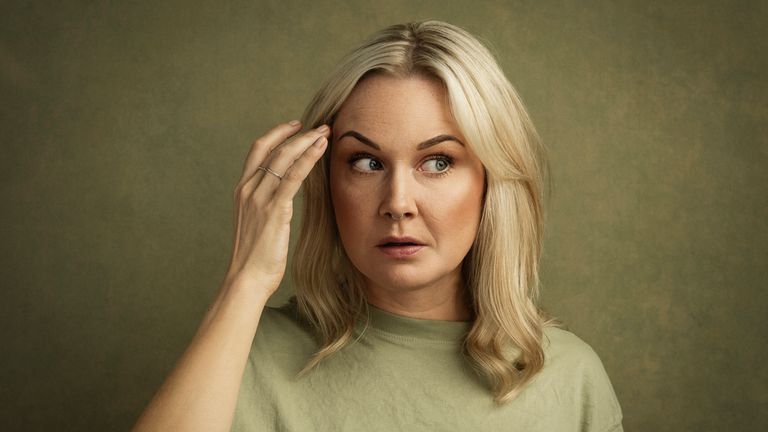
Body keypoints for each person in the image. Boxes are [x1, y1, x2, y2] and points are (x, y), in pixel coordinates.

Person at [132, 20, 623, 432]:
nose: (398, 203)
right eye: (366, 162)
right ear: (326, 181)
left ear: (491, 182)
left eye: (437, 162)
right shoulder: (243, 356)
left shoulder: (569, 378)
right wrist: (244, 282)